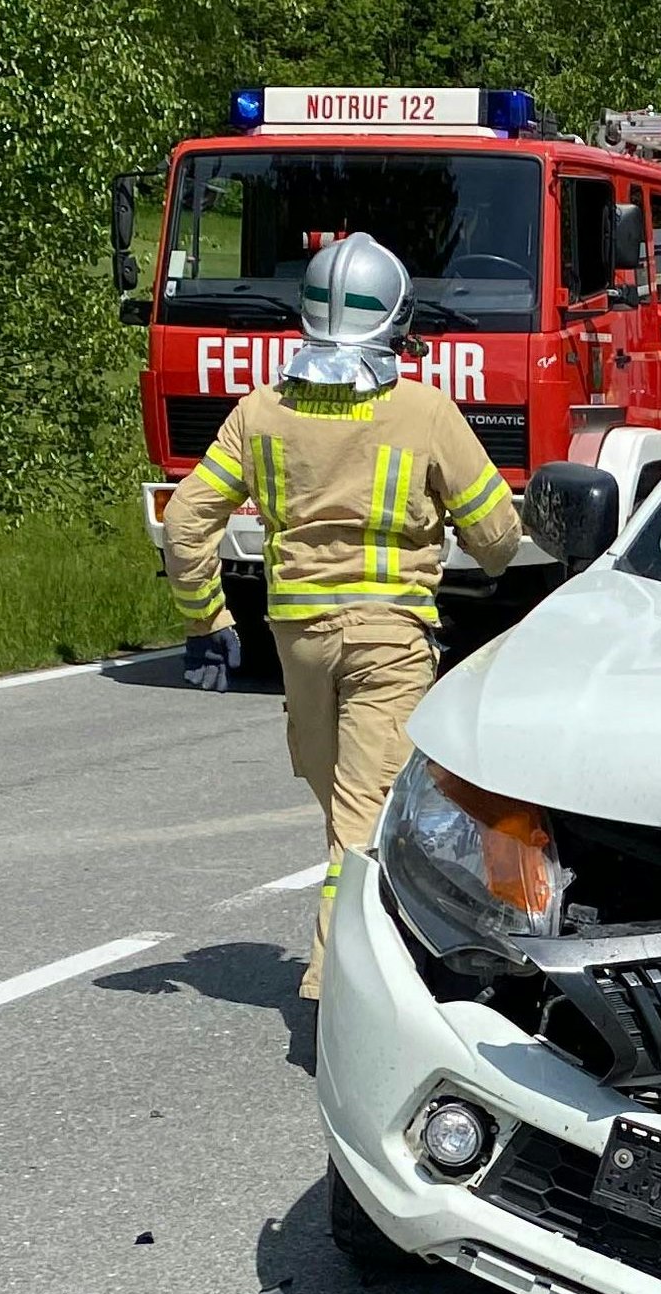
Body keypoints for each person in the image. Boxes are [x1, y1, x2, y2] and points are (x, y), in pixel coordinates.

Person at [160, 233, 524, 998]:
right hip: (389, 639)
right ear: (395, 318)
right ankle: (336, 985)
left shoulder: (261, 412)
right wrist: (485, 551)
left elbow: (189, 518)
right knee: (361, 828)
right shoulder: (424, 410)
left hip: (298, 640)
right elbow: (497, 537)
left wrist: (209, 621)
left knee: (342, 811)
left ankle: (371, 950)